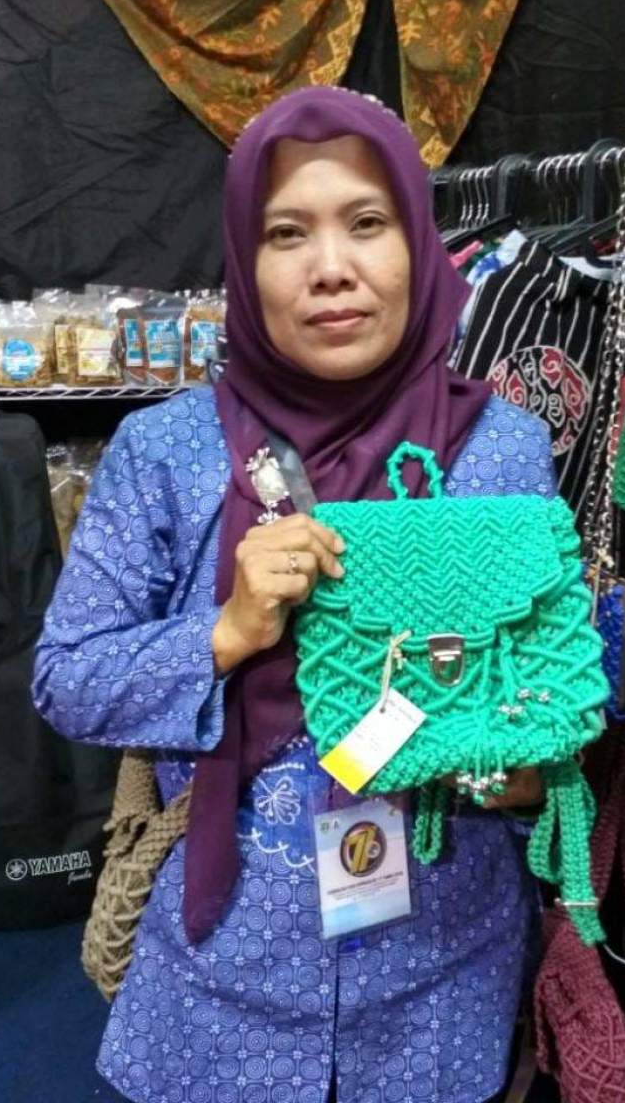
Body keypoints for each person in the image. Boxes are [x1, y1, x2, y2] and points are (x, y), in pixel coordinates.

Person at [33, 86, 557, 1103]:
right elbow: (67, 680)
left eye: (367, 222)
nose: (330, 267)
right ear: (244, 256)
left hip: (439, 974)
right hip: (225, 981)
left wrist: (526, 760)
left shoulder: (501, 452)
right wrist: (225, 632)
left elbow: (540, 697)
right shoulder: (168, 453)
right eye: (286, 233)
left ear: (419, 243)